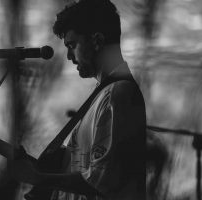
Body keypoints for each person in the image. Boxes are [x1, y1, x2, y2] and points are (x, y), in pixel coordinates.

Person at [9, 0, 146, 199]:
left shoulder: (118, 94)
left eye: (72, 45)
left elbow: (101, 180)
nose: (68, 56)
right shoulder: (104, 94)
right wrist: (36, 167)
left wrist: (39, 178)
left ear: (97, 40)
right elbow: (81, 170)